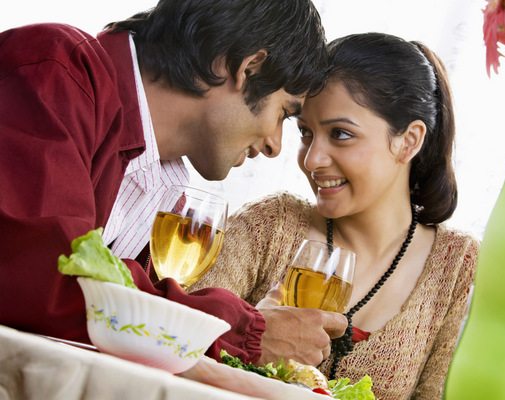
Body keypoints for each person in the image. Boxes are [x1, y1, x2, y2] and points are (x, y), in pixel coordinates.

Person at [0, 0, 347, 367]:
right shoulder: (56, 71)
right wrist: (242, 333)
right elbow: (43, 280)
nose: (275, 146)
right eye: (284, 113)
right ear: (248, 68)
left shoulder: (163, 184)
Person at [189, 32, 479, 399]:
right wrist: (251, 337)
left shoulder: (456, 268)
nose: (312, 160)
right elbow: (178, 341)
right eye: (306, 134)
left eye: (340, 134)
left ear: (408, 141)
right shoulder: (269, 226)